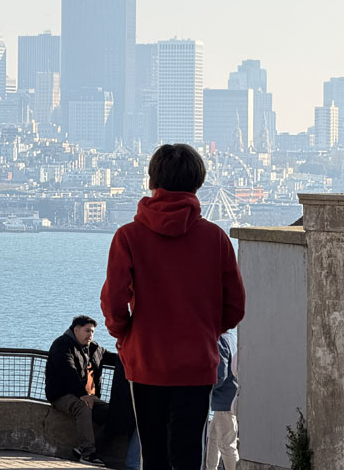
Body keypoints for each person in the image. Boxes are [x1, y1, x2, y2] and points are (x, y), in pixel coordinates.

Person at [101, 144, 246, 470]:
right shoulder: (215, 239)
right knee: (188, 455)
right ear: (198, 183)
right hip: (196, 364)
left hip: (146, 361)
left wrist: (126, 335)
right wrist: (206, 330)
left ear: (152, 181)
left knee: (153, 455)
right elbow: (235, 306)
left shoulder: (128, 237)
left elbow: (113, 301)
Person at [45, 316, 110, 465]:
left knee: (109, 412)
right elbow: (68, 372)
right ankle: (88, 453)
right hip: (61, 394)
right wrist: (82, 394)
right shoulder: (62, 345)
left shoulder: (93, 348)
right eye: (87, 331)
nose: (90, 335)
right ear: (76, 330)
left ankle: (83, 446)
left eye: (92, 332)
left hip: (84, 394)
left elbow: (111, 358)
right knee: (83, 407)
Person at [205, 331, 239, 470]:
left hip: (223, 403)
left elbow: (219, 376)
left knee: (226, 445)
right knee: (213, 438)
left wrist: (203, 388)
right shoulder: (232, 337)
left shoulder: (219, 341)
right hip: (229, 399)